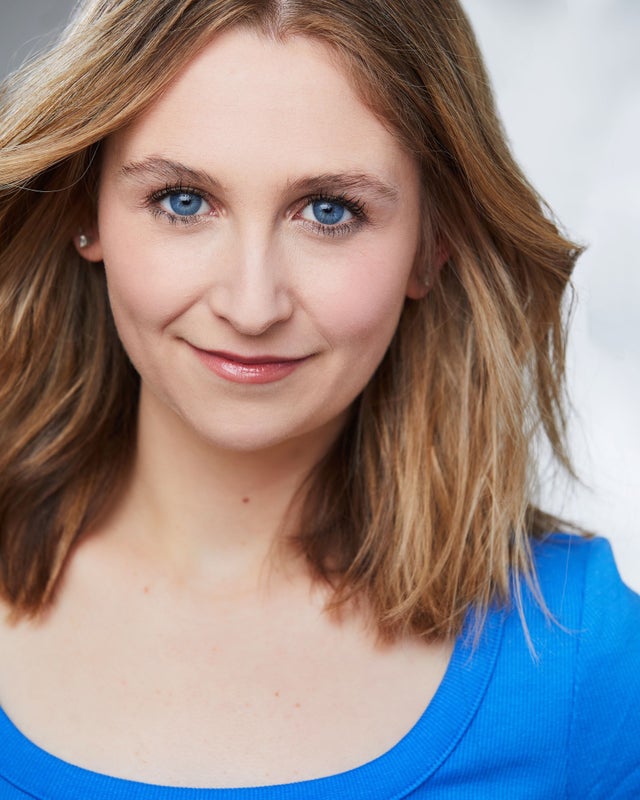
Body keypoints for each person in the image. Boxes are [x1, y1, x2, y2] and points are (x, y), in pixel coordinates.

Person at [0, 0, 638, 797]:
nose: (251, 306)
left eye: (329, 212)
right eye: (183, 201)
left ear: (432, 244)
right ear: (82, 208)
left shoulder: (589, 662)